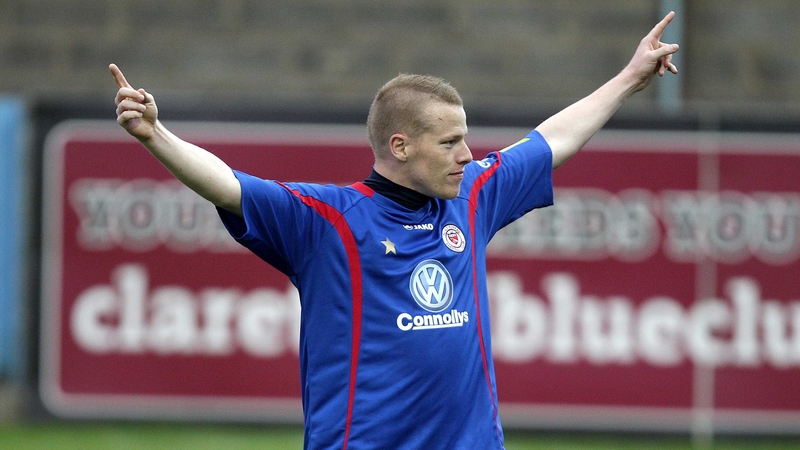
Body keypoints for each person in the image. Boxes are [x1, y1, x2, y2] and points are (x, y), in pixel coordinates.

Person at [111, 12, 679, 450]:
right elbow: (228, 185)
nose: (467, 154)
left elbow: (551, 140)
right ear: (400, 146)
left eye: (465, 139)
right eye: (449, 142)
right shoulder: (327, 220)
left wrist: (630, 77)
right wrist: (156, 136)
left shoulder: (472, 196)